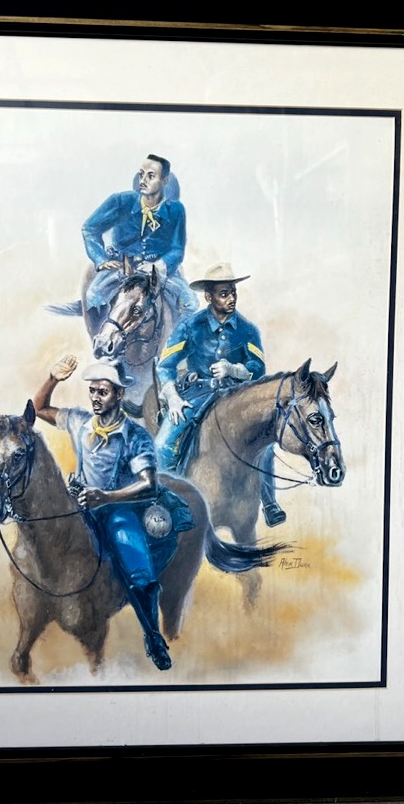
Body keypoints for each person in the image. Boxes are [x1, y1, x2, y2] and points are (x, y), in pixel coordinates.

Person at [33, 354, 191, 670]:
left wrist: (106, 497)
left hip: (118, 511)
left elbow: (148, 484)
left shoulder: (135, 436)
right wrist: (52, 378)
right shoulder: (78, 421)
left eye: (102, 392)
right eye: (92, 391)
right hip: (80, 506)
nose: (95, 398)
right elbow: (38, 408)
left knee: (140, 574)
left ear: (119, 394)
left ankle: (153, 636)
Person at [154, 262, 287, 527]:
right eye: (224, 293)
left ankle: (269, 503)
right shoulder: (191, 326)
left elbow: (258, 368)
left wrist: (235, 370)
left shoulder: (248, 330)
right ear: (209, 296)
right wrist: (173, 397)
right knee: (163, 445)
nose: (231, 298)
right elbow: (165, 366)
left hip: (238, 396)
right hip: (198, 393)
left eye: (233, 292)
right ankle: (165, 503)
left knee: (265, 443)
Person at [81, 154, 199, 327]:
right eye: (141, 174)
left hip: (158, 269)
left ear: (164, 181)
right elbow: (90, 228)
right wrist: (101, 259)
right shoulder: (121, 201)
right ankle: (104, 339)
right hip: (122, 266)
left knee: (191, 304)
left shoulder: (176, 210)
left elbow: (177, 249)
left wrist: (158, 265)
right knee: (93, 295)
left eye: (150, 176)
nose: (143, 180)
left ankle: (175, 341)